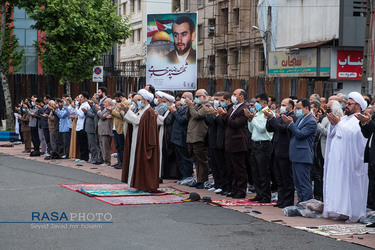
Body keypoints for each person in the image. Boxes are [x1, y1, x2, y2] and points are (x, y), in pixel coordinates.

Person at [323, 92, 368, 222]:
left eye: (349, 104)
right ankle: (339, 210)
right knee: (338, 184)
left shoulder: (360, 119)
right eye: (346, 103)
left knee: (349, 186)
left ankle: (352, 212)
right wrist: (333, 124)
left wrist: (338, 124)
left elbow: (353, 134)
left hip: (351, 162)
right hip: (339, 161)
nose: (346, 106)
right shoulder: (345, 119)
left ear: (358, 106)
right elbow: (332, 135)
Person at [121, 89, 160, 192]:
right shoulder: (141, 109)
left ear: (145, 100)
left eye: (139, 99)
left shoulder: (149, 111)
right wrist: (127, 111)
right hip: (137, 138)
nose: (137, 102)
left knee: (142, 162)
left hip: (144, 142)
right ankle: (137, 183)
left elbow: (138, 121)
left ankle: (144, 185)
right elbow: (135, 121)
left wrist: (127, 111)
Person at [282, 98, 317, 204]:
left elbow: (301, 134)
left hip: (303, 156)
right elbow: (294, 134)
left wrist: (290, 124)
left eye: (299, 108)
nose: (297, 111)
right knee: (297, 183)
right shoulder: (300, 119)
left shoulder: (311, 121)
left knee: (304, 183)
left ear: (306, 108)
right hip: (296, 155)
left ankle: (306, 204)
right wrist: (290, 125)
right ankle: (300, 203)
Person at [265, 98, 297, 208]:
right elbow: (271, 128)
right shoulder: (280, 117)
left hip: (285, 151)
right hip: (277, 150)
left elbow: (282, 128)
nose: (281, 107)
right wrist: (269, 119)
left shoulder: (292, 117)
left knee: (287, 178)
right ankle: (281, 200)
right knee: (279, 178)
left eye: (284, 105)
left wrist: (273, 118)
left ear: (291, 107)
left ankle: (287, 201)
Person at [219, 89, 248, 199]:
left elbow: (235, 124)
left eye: (235, 94)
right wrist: (222, 115)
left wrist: (225, 116)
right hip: (229, 142)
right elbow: (226, 123)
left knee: (239, 168)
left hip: (238, 142)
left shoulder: (244, 108)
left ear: (241, 97)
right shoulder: (232, 107)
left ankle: (241, 190)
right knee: (231, 168)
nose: (232, 96)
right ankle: (234, 189)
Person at [245, 93, 273, 203]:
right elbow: (252, 130)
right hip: (255, 143)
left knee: (263, 171)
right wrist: (250, 119)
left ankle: (266, 195)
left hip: (264, 144)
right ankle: (259, 193)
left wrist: (253, 119)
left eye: (258, 101)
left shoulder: (267, 113)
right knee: (255, 171)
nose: (256, 104)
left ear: (264, 102)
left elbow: (262, 128)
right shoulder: (257, 113)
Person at [185, 89, 210, 189]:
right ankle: (199, 179)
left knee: (201, 159)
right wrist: (189, 106)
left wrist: (191, 106)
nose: (196, 98)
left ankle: (203, 180)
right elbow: (188, 117)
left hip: (199, 136)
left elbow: (197, 115)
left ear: (204, 97)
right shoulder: (195, 106)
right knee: (195, 158)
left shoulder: (206, 106)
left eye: (198, 96)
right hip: (191, 136)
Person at [169, 92, 194, 180]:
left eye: (184, 97)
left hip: (182, 136)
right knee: (179, 158)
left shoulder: (189, 109)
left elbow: (182, 120)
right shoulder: (182, 108)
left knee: (185, 158)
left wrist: (175, 112)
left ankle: (187, 176)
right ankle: (183, 176)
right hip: (176, 137)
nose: (182, 99)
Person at [357, 106, 375, 211]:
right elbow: (366, 134)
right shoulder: (371, 121)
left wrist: (368, 121)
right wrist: (364, 123)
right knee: (372, 186)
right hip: (371, 158)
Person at [97, 98, 114, 167]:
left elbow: (102, 116)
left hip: (105, 130)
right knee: (102, 146)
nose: (103, 103)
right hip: (101, 130)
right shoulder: (105, 109)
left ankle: (107, 161)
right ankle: (104, 160)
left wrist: (98, 111)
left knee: (105, 146)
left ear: (109, 103)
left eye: (105, 102)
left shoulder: (110, 109)